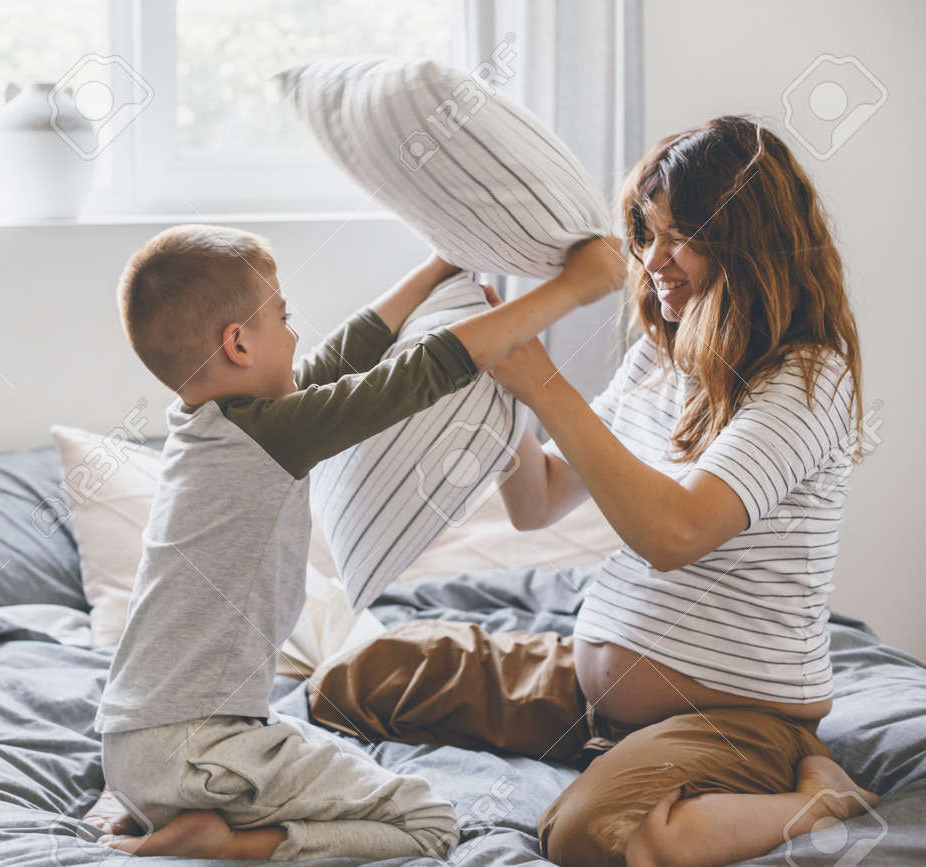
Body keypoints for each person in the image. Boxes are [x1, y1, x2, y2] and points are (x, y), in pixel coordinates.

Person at [307, 115, 879, 867]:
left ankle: (816, 795)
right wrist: (497, 372)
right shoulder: (661, 355)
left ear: (749, 241)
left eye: (680, 237)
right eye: (647, 233)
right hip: (592, 700)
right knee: (352, 678)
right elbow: (536, 499)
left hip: (732, 716)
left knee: (586, 836)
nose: (656, 259)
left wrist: (542, 381)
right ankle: (622, 751)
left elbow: (674, 533)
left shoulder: (806, 379)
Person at [87, 223, 625, 859]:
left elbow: (341, 361)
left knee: (312, 749)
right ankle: (230, 841)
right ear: (237, 344)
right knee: (427, 822)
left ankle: (167, 808)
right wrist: (573, 289)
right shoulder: (270, 435)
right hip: (199, 749)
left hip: (129, 747)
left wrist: (437, 265)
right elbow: (417, 376)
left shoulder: (211, 429)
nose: (294, 333)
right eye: (283, 317)